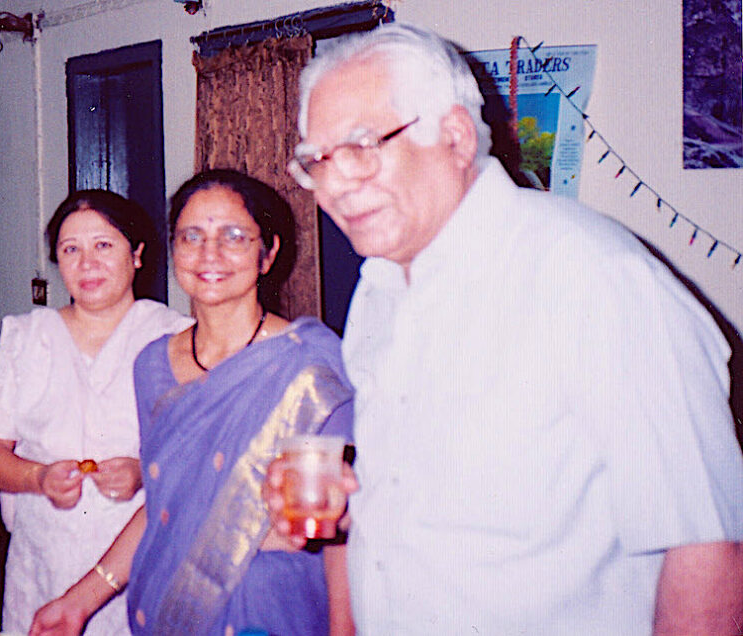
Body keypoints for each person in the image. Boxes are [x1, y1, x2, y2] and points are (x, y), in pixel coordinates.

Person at [264, 22, 743, 635]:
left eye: (362, 145)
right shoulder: (377, 293)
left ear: (457, 137)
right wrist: (350, 504)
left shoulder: (592, 277)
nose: (335, 183)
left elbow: (709, 547)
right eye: (318, 160)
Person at [29, 170, 355, 636]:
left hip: (270, 611)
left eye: (235, 236)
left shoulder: (313, 364)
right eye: (192, 236)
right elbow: (169, 501)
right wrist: (80, 600)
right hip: (162, 606)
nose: (210, 254)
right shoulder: (154, 365)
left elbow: (346, 527)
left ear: (269, 254)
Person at [0, 190, 193, 634]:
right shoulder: (28, 336)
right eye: (71, 250)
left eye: (103, 245)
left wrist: (144, 472)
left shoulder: (175, 337)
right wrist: (36, 478)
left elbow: (199, 459)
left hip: (142, 567)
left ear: (137, 254)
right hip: (42, 570)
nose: (87, 264)